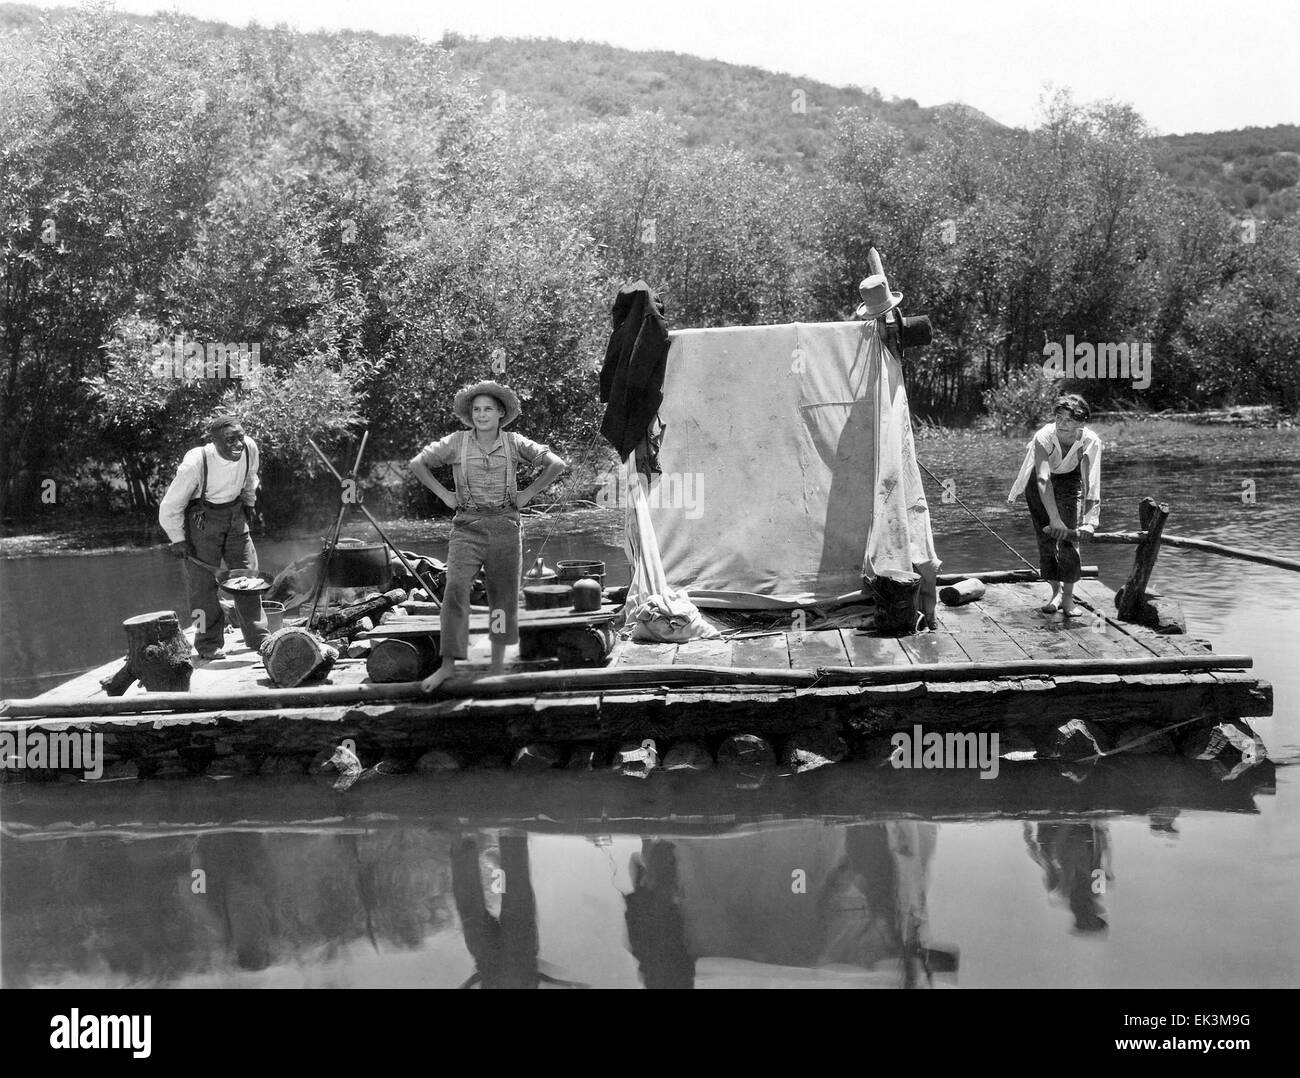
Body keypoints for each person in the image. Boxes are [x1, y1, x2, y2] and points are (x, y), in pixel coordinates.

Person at [409, 381, 566, 692]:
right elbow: (418, 463)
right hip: (466, 528)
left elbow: (556, 464)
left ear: (500, 413)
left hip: (506, 528)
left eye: (488, 409)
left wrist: (527, 494)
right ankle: (448, 665)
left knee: (502, 599)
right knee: (454, 590)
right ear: (471, 415)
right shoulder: (456, 442)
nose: (481, 415)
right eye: (476, 409)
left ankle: (496, 664)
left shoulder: (514, 442)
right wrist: (445, 495)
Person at [158, 413, 262, 660]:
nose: (238, 444)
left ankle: (259, 636)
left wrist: (249, 502)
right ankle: (207, 644)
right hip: (203, 521)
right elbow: (169, 505)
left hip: (236, 516)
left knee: (248, 577)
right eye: (230, 440)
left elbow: (250, 477)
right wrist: (178, 539)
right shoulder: (196, 461)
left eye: (240, 437)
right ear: (214, 441)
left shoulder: (249, 448)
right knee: (201, 588)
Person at [1006, 393, 1102, 616]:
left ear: (1081, 422)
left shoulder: (1090, 441)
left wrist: (1089, 522)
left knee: (1069, 539)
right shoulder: (1044, 436)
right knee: (1047, 539)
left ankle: (1068, 599)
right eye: (1058, 418)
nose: (1061, 424)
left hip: (1070, 481)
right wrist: (1054, 518)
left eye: (1068, 420)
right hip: (1039, 483)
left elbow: (1092, 482)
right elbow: (1043, 478)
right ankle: (1055, 592)